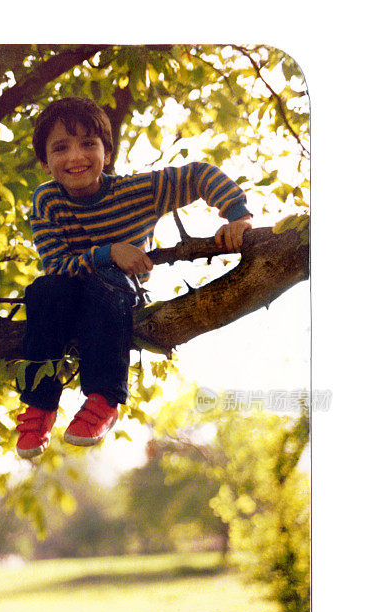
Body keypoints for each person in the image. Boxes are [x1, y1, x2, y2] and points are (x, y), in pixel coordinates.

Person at [15, 96, 252, 458]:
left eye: (88, 144)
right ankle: (40, 404)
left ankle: (104, 397)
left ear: (106, 154)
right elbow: (55, 263)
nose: (75, 157)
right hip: (67, 297)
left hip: (117, 296)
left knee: (107, 280)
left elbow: (200, 174)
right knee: (44, 290)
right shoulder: (47, 200)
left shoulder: (137, 192)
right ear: (46, 163)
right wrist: (109, 251)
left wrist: (238, 215)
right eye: (60, 148)